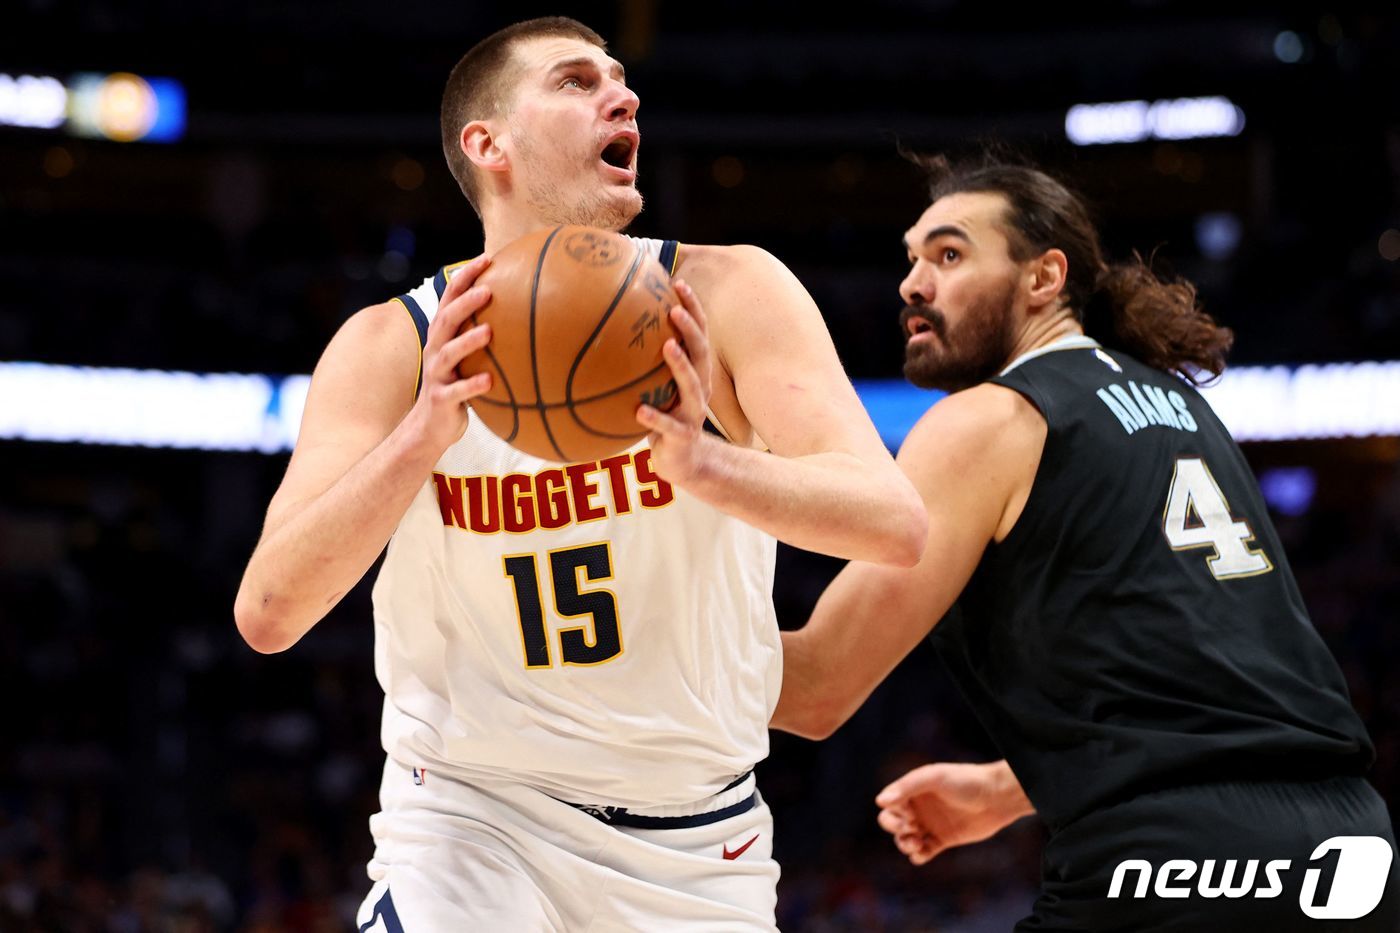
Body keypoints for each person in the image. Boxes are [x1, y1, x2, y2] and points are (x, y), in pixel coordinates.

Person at [233, 16, 925, 932]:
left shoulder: (730, 293)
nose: (622, 95)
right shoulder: (390, 346)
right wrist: (425, 430)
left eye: (622, 79)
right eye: (575, 81)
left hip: (699, 845)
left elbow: (894, 522)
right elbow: (270, 612)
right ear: (489, 144)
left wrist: (705, 463)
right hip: (471, 823)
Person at [772, 153, 1399, 929]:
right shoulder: (1183, 406)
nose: (912, 283)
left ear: (1043, 278)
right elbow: (1207, 684)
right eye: (912, 259)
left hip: (1174, 860)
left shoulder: (991, 419)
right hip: (1349, 849)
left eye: (949, 254)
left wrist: (601, 649)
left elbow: (818, 686)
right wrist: (1011, 787)